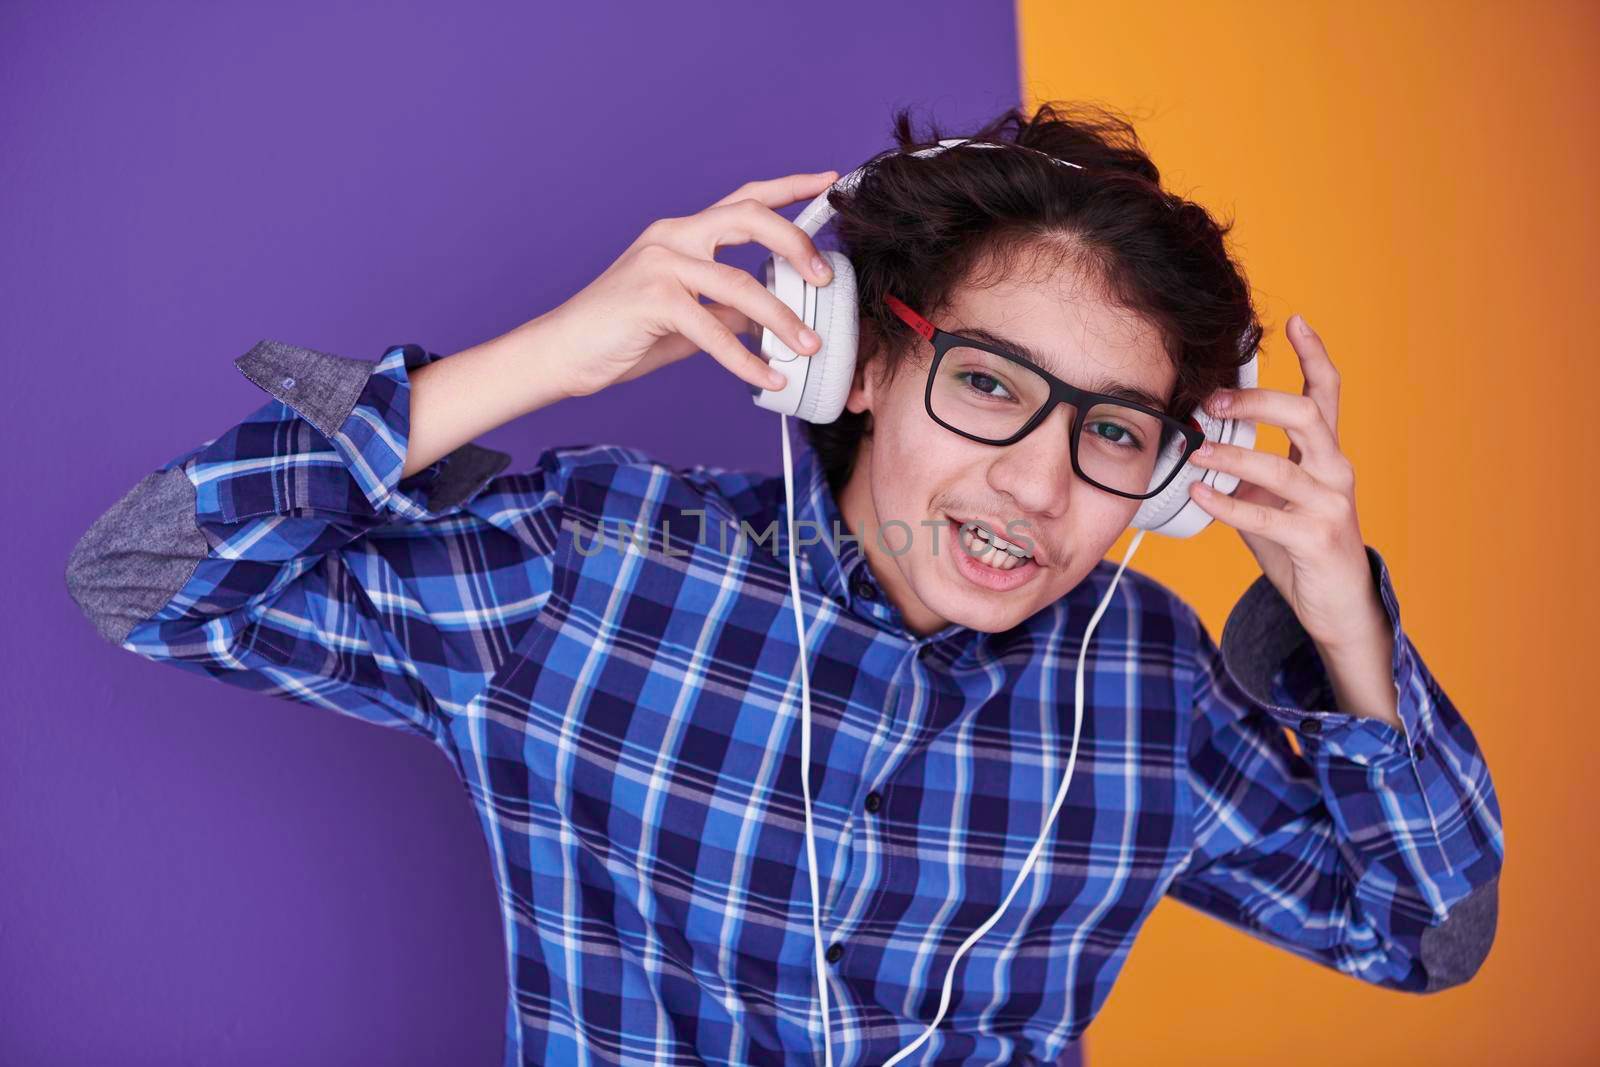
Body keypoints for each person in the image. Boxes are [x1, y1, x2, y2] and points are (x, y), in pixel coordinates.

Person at [64, 100, 1503, 1066]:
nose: (1040, 487)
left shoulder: (1149, 679)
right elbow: (147, 573)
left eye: (1115, 431)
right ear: (858, 362)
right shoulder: (589, 571)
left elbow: (1425, 933)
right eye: (989, 384)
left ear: (1176, 478)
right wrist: (545, 357)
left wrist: (1338, 614)